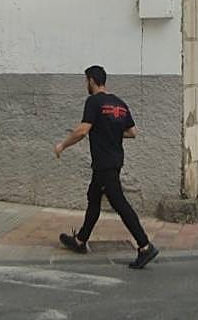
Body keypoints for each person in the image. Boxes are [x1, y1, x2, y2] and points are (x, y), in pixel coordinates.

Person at [54, 65, 159, 270]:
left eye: (86, 81)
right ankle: (81, 240)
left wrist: (62, 145)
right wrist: (110, 131)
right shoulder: (119, 103)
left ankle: (145, 246)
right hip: (115, 160)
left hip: (104, 164)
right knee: (94, 196)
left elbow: (83, 130)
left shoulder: (93, 101)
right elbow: (132, 132)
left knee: (119, 203)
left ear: (92, 80)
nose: (86, 84)